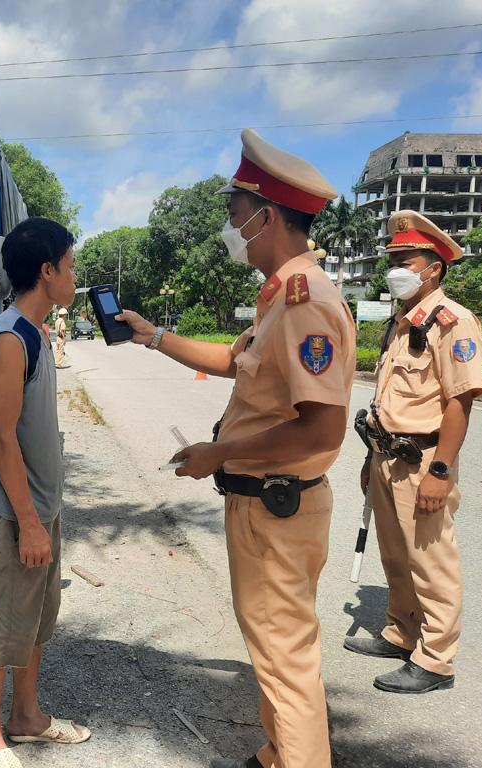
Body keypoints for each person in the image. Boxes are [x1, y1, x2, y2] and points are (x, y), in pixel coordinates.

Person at [118, 128, 354, 768]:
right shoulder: (279, 294)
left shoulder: (306, 302)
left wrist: (217, 453)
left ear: (266, 217)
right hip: (263, 507)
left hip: (278, 506)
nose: (229, 229)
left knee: (285, 658)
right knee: (273, 649)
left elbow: (322, 429)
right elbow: (232, 359)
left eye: (234, 216)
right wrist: (153, 336)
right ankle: (279, 751)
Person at [346, 210, 482, 694]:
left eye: (405, 259)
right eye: (393, 259)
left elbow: (459, 402)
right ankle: (402, 632)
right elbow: (389, 398)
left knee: (431, 561)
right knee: (396, 555)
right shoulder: (402, 322)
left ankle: (436, 659)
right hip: (387, 456)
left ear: (434, 268)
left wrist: (441, 471)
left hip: (424, 459)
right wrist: (371, 459)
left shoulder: (454, 322)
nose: (396, 268)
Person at [0, 217, 89, 768]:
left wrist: (47, 513)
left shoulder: (36, 333)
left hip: (43, 507)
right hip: (21, 513)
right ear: (47, 271)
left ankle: (27, 717)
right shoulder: (9, 339)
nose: (74, 275)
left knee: (37, 619)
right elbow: (3, 438)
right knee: (5, 621)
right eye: (69, 266)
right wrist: (30, 521)